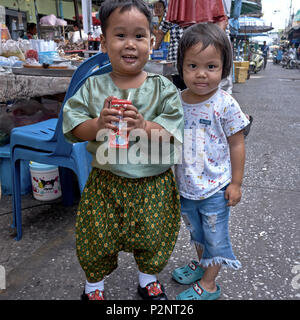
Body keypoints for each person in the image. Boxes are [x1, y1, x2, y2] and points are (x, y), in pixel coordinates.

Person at [62, 0, 184, 300]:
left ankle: (147, 279)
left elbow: (171, 134)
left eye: (139, 36)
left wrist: (143, 125)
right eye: (120, 35)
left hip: (153, 182)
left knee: (153, 238)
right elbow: (73, 128)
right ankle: (94, 287)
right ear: (103, 42)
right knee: (97, 238)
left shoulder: (163, 88)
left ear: (152, 41)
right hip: (107, 182)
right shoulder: (92, 87)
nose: (130, 44)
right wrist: (97, 124)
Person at [172, 23, 250, 300]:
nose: (201, 74)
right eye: (192, 65)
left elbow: (237, 142)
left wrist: (237, 183)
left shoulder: (225, 104)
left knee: (215, 239)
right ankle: (204, 266)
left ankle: (209, 284)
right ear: (181, 66)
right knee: (197, 235)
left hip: (216, 188)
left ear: (224, 68)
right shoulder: (175, 101)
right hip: (185, 186)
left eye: (211, 67)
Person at [153, 7, 185, 90]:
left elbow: (162, 31)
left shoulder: (173, 8)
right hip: (191, 58)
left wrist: (155, 49)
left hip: (177, 58)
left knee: (178, 87)